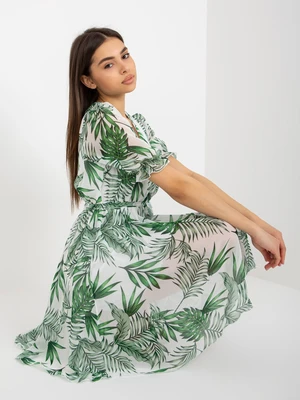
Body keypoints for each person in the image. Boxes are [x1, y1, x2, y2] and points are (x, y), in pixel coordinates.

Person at [14, 27, 286, 383]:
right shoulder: (104, 121)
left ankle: (128, 321)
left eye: (125, 55)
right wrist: (252, 229)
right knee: (225, 234)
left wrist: (261, 224)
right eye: (108, 64)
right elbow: (180, 188)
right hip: (107, 248)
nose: (125, 67)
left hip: (129, 235)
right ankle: (113, 318)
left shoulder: (134, 122)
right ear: (89, 80)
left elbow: (190, 177)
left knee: (227, 229)